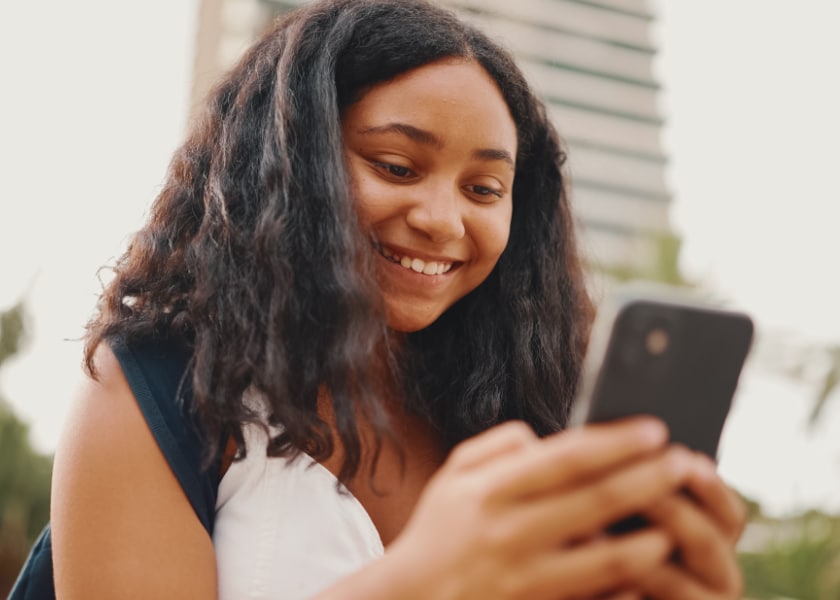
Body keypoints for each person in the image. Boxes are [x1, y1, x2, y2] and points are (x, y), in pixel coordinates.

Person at [41, 0, 745, 598]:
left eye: (484, 190)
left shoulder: (533, 421)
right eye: (397, 166)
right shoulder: (155, 391)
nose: (443, 219)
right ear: (291, 167)